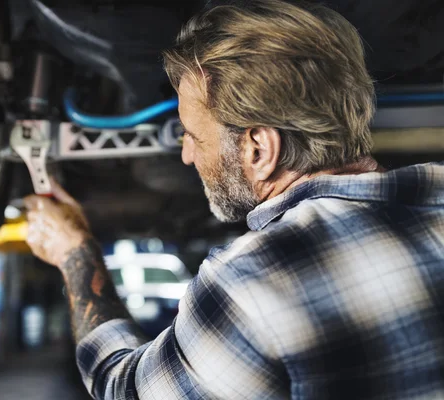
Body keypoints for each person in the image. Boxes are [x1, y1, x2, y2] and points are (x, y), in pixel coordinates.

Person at [25, 0, 444, 399]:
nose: (187, 153)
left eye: (192, 134)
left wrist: (75, 253)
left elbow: (123, 387)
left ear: (259, 150)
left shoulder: (250, 283)